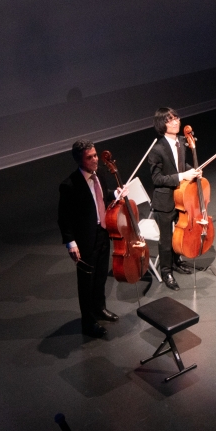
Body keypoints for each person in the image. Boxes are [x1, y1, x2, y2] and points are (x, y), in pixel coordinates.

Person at [57, 140, 125, 338]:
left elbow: (102, 197)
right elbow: (64, 218)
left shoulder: (100, 175)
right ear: (80, 160)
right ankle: (88, 322)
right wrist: (71, 242)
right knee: (86, 283)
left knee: (101, 276)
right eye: (90, 157)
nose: (96, 159)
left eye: (95, 155)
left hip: (103, 233)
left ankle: (99, 308)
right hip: (85, 240)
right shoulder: (69, 185)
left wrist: (115, 193)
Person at [147, 108, 203, 291]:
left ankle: (177, 261)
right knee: (165, 239)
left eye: (176, 118)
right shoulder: (157, 150)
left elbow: (180, 165)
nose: (176, 122)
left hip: (182, 197)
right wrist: (182, 175)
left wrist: (192, 170)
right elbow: (157, 179)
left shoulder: (180, 141)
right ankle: (166, 271)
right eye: (170, 120)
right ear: (162, 125)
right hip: (164, 201)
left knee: (180, 233)